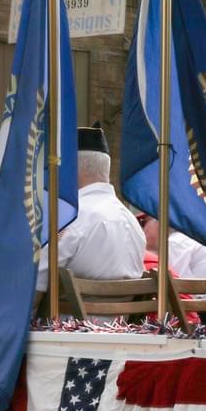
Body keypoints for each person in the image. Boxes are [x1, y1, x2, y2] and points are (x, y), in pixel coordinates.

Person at [36, 125, 143, 292]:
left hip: (70, 318)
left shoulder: (71, 218)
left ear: (72, 170)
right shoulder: (134, 223)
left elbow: (37, 284)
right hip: (125, 318)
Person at [139, 215, 206, 280]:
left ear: (161, 222)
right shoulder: (184, 241)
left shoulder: (174, 244)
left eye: (142, 223)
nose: (140, 229)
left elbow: (178, 290)